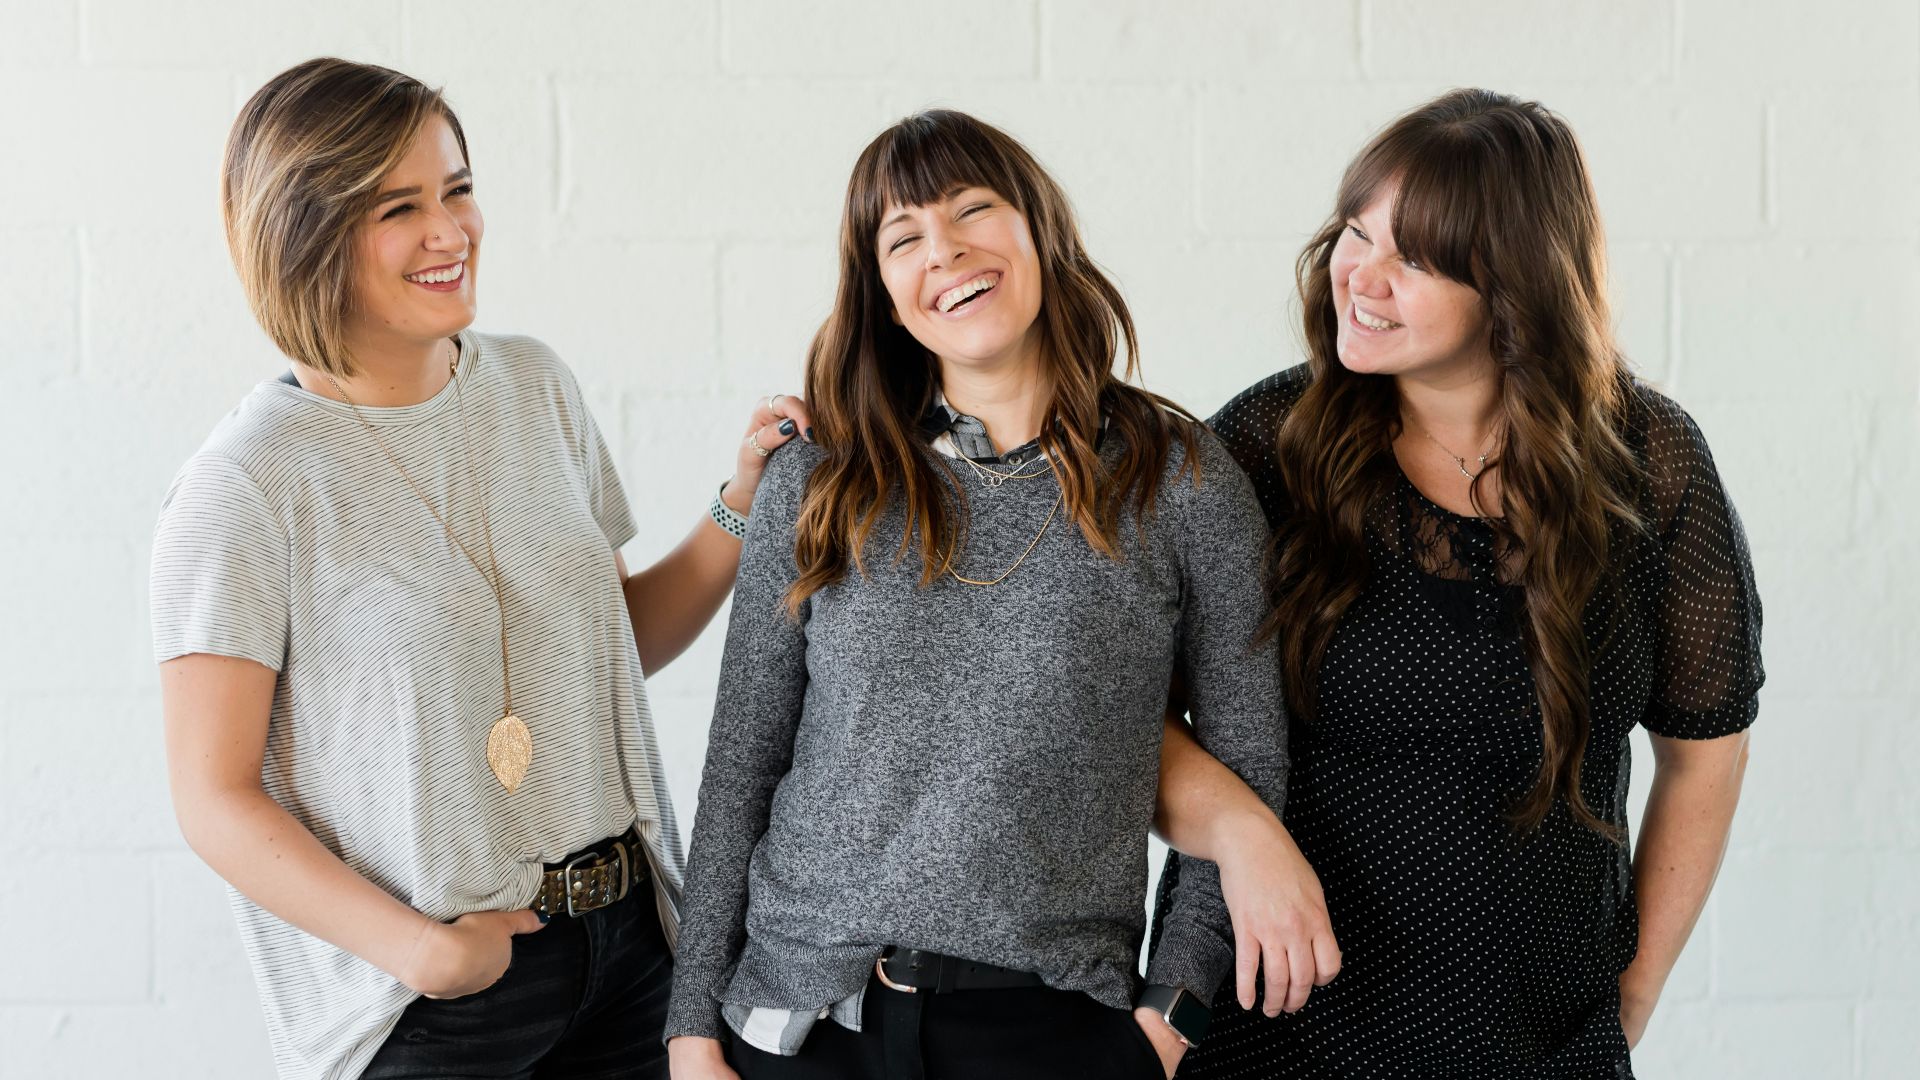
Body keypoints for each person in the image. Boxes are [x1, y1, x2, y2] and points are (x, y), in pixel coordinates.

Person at [151, 57, 807, 1079]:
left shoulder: (535, 386)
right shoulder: (245, 484)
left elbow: (602, 650)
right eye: (398, 207)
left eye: (457, 190)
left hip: (632, 948)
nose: (450, 231)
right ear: (306, 231)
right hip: (430, 1001)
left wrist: (742, 507)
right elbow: (214, 798)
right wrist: (424, 952)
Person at [663, 109, 1314, 1080]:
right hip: (798, 1026)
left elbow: (1248, 760)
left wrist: (1170, 1014)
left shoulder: (1182, 480)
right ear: (881, 291)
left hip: (1051, 1031)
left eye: (974, 210)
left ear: (1040, 231)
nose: (947, 251)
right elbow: (743, 761)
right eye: (905, 238)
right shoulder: (821, 479)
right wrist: (690, 1032)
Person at [1155, 88, 1763, 1079]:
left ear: (1517, 288)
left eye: (1418, 259)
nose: (1363, 277)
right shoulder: (1269, 450)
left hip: (1545, 1046)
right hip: (1280, 1039)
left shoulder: (1651, 462)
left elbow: (1705, 752)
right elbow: (1119, 713)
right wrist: (1246, 838)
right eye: (1358, 235)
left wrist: (1635, 993)